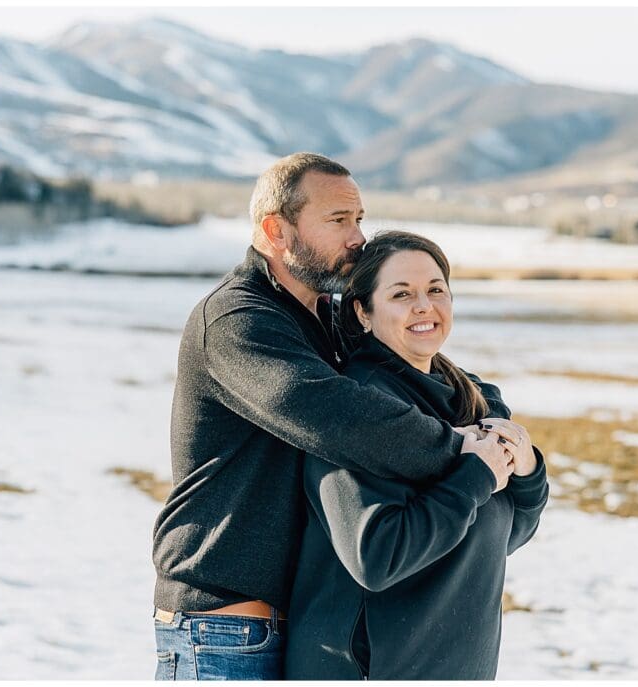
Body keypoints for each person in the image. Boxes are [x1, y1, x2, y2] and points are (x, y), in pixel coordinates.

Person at [151, 154, 511, 680]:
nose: (358, 238)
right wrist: (463, 452)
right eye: (338, 221)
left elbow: (427, 373)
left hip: (291, 624)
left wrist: (494, 422)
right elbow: (341, 419)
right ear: (277, 230)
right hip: (224, 628)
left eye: (360, 218)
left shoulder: (327, 318)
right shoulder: (237, 321)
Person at [286, 231, 549, 680]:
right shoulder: (357, 407)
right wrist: (474, 477)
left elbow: (498, 537)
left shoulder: (472, 400)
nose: (423, 305)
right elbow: (378, 557)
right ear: (362, 312)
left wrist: (528, 472)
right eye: (401, 294)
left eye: (435, 290)